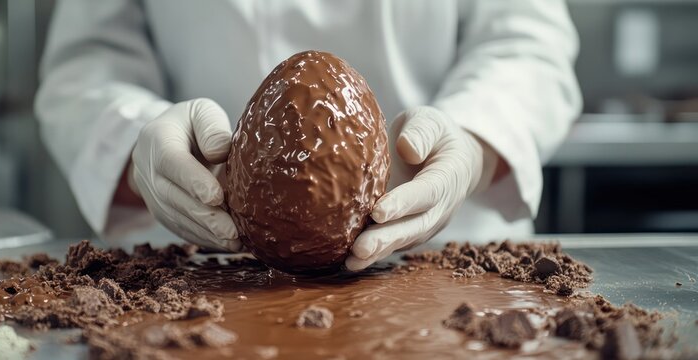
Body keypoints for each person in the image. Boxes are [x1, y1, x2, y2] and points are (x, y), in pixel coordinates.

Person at [36, 0, 581, 271]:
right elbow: (87, 66)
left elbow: (526, 44)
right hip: (197, 267)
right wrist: (139, 149)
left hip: (443, 263)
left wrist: (472, 147)